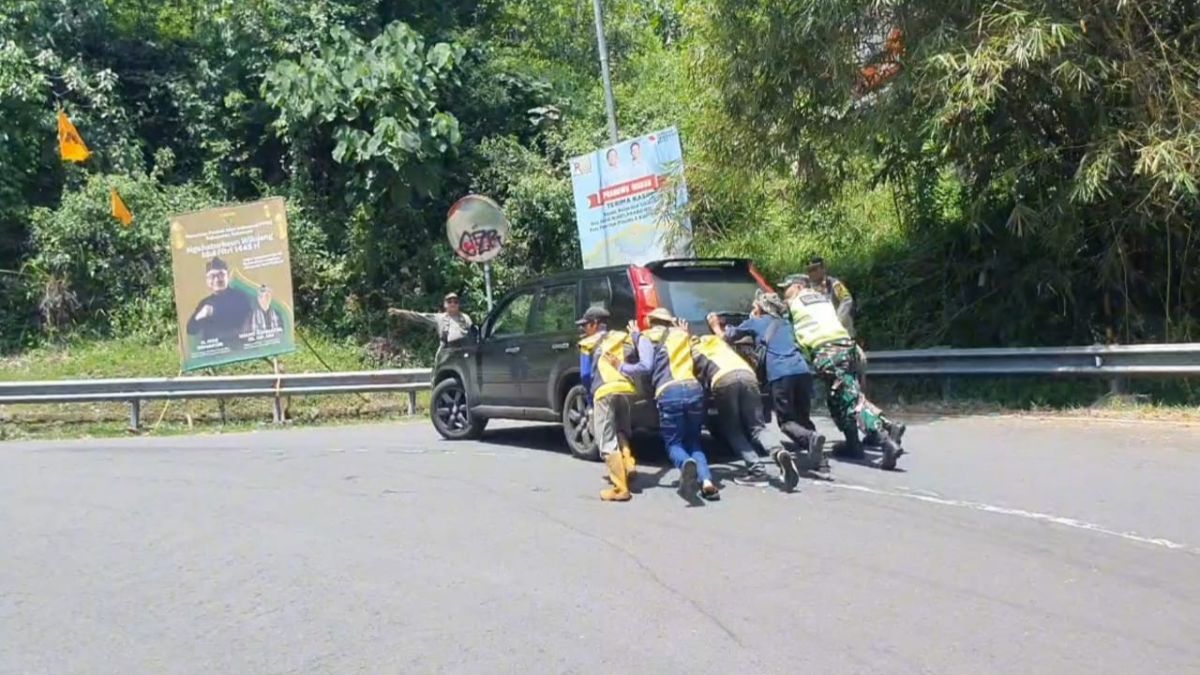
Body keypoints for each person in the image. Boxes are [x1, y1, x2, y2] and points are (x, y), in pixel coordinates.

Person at [781, 274, 907, 470]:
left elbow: (781, 324)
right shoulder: (822, 299)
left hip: (827, 352)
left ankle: (886, 440)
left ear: (798, 286)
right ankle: (855, 444)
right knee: (840, 399)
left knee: (849, 402)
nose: (783, 293)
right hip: (846, 348)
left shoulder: (794, 303)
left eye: (786, 288)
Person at [707, 292, 828, 474]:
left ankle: (811, 438)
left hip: (781, 374)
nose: (752, 310)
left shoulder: (756, 321)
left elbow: (725, 337)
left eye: (755, 307)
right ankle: (821, 461)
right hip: (803, 371)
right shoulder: (787, 323)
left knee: (786, 421)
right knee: (802, 417)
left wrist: (715, 325)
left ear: (761, 309)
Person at [619, 308, 718, 503]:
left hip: (668, 391)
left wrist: (634, 339)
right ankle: (706, 481)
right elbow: (697, 351)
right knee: (693, 440)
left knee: (673, 442)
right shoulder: (683, 335)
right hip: (694, 390)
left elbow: (641, 364)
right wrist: (684, 332)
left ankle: (685, 464)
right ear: (669, 322)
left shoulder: (646, 337)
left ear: (651, 321)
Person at [691, 333, 801, 492]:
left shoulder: (694, 350)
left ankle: (757, 471)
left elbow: (698, 377)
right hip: (748, 375)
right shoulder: (719, 343)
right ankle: (779, 452)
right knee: (758, 427)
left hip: (723, 380)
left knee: (733, 430)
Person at [576, 306, 639, 502]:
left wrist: (590, 397)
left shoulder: (588, 343)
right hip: (624, 390)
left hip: (603, 391)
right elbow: (632, 355)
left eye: (586, 325)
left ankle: (621, 489)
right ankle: (628, 464)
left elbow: (585, 375)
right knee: (620, 430)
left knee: (606, 440)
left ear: (595, 324)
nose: (584, 329)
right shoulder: (622, 337)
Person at [186, 257, 252, 350]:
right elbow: (191, 330)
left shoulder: (240, 296)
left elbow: (243, 320)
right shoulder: (205, 303)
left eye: (221, 274)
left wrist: (214, 311)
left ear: (227, 276)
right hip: (213, 352)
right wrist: (201, 314)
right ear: (207, 281)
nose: (217, 279)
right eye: (212, 276)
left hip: (238, 348)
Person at [387, 292, 474, 348]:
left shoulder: (465, 318)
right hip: (446, 352)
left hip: (463, 351)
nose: (452, 303)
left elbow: (474, 333)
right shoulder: (439, 318)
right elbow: (419, 316)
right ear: (445, 304)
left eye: (455, 301)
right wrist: (399, 312)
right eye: (449, 301)